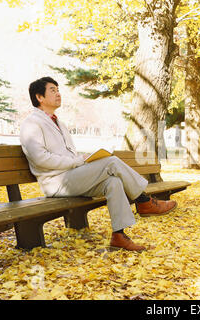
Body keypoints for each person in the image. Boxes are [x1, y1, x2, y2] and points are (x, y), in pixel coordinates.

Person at [20, 76, 177, 252]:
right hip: (55, 182)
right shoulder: (31, 123)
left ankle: (119, 236)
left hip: (71, 177)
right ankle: (143, 200)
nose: (58, 94)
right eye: (52, 90)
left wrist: (84, 158)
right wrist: (76, 162)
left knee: (113, 182)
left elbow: (67, 154)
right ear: (39, 97)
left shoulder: (59, 123)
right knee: (111, 162)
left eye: (58, 90)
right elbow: (40, 158)